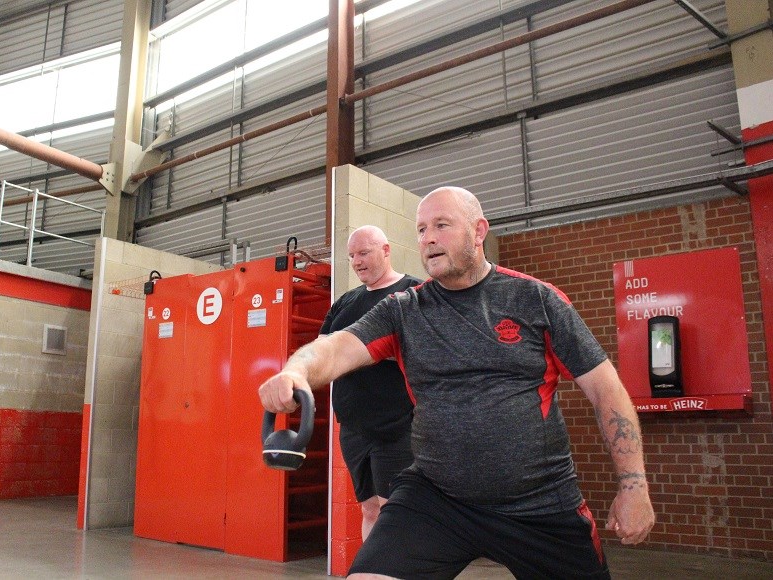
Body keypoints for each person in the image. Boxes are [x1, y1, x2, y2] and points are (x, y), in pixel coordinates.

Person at [259, 186, 655, 579]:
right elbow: (334, 349)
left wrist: (634, 485)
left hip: (539, 504)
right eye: (420, 229)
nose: (427, 237)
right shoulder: (405, 309)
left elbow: (606, 390)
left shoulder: (536, 299)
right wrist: (295, 371)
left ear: (479, 231)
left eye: (441, 225)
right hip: (436, 498)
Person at [320, 225, 420, 541]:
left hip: (397, 426)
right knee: (370, 510)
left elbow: (422, 351)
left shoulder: (413, 293)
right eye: (352, 255)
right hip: (353, 428)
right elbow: (324, 352)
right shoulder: (346, 302)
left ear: (386, 250)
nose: (357, 261)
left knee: (395, 511)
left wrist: (360, 350)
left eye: (364, 253)